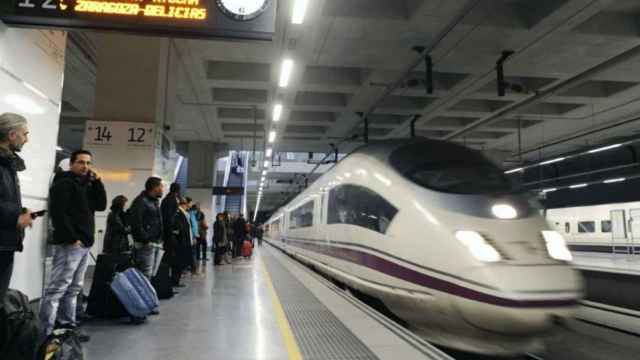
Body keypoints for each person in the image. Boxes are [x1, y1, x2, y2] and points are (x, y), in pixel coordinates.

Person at [41, 150, 107, 339]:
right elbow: (59, 214)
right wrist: (72, 238)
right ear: (71, 164)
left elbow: (101, 205)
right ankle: (46, 334)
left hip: (84, 244)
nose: (85, 166)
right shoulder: (64, 184)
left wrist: (98, 182)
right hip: (71, 244)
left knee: (74, 288)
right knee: (57, 288)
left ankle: (67, 327)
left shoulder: (85, 185)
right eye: (80, 162)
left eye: (88, 163)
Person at [0, 113, 33, 301]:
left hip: (5, 241)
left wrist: (20, 212)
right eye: (25, 134)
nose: (27, 139)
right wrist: (16, 215)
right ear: (12, 134)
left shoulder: (8, 164)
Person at [129, 177, 164, 280]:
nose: (163, 189)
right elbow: (136, 223)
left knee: (150, 274)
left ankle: (145, 295)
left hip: (154, 243)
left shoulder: (153, 202)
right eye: (161, 186)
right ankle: (141, 296)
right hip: (146, 244)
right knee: (145, 275)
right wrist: (146, 240)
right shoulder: (141, 201)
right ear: (154, 188)